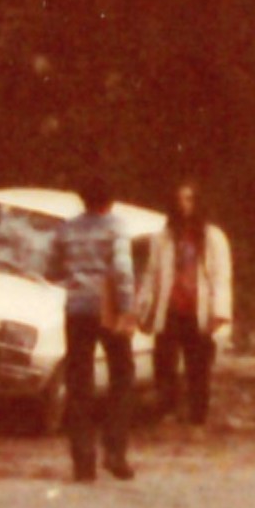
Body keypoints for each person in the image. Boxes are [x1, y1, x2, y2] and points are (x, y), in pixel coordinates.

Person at [54, 180, 140, 482]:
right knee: (123, 374)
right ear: (111, 199)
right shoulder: (116, 227)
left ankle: (83, 461)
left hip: (77, 307)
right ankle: (115, 450)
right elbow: (122, 270)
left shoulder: (67, 229)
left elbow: (53, 266)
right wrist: (127, 308)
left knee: (79, 382)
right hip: (108, 306)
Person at [148, 178, 233, 430]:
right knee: (164, 363)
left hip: (199, 309)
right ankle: (168, 411)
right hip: (172, 307)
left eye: (189, 199)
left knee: (198, 366)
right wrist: (147, 309)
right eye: (179, 199)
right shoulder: (163, 237)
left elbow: (221, 276)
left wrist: (219, 312)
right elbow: (153, 274)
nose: (184, 205)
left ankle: (198, 417)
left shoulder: (212, 237)